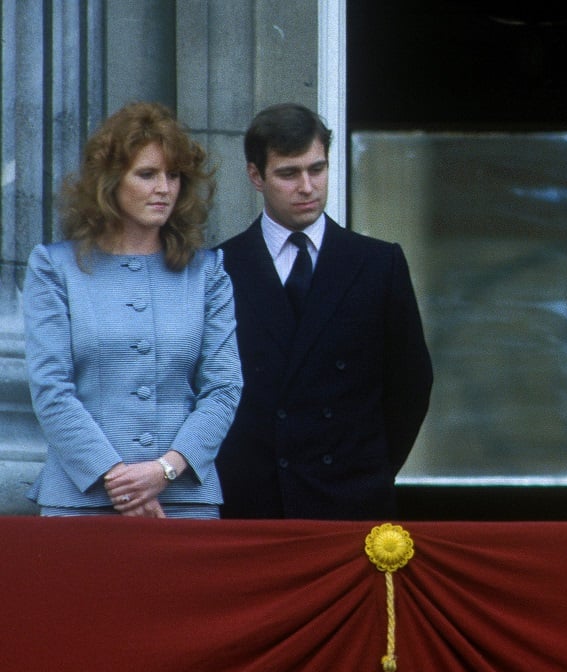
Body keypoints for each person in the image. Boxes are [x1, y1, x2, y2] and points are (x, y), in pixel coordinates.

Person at [22, 101, 243, 518]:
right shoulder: (55, 267)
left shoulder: (207, 273)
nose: (164, 188)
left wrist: (165, 470)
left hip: (184, 502)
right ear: (110, 182)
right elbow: (51, 389)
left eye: (174, 175)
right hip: (82, 500)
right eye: (147, 174)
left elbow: (223, 388)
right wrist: (119, 481)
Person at [215, 103, 433, 520]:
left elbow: (412, 383)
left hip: (349, 502)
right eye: (288, 173)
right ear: (255, 176)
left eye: (317, 169)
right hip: (253, 505)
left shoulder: (378, 263)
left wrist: (370, 472)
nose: (307, 186)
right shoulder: (220, 267)